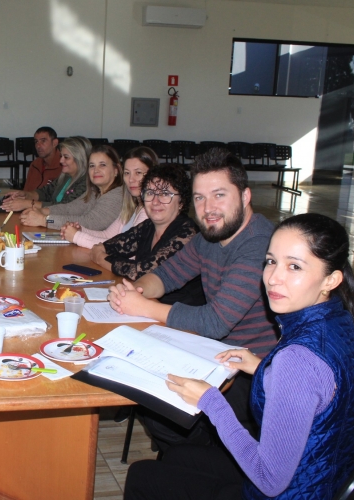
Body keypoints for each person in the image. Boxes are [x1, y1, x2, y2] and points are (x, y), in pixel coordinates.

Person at [125, 213, 354, 500]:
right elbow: (320, 391)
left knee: (143, 476)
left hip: (289, 491)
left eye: (294, 266)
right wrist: (262, 366)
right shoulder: (343, 325)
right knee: (180, 457)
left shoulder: (297, 359)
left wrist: (211, 403)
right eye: (271, 261)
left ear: (331, 280)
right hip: (325, 476)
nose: (273, 278)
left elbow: (269, 480)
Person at [107, 148, 278, 450]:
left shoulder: (259, 245)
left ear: (246, 196)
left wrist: (143, 307)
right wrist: (138, 291)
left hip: (256, 372)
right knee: (145, 387)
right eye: (200, 197)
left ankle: (210, 465)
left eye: (219, 195)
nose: (208, 207)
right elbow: (167, 274)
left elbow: (215, 322)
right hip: (219, 353)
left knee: (163, 413)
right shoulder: (210, 235)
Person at [94, 165, 204, 306]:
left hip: (177, 315)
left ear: (181, 202)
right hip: (146, 306)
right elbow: (104, 247)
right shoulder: (147, 226)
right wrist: (104, 256)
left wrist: (101, 258)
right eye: (150, 193)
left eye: (165, 194)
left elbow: (142, 272)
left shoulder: (188, 233)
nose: (155, 201)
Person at [61, 146, 156, 248]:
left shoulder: (149, 211)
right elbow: (107, 235)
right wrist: (81, 230)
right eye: (127, 173)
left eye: (138, 173)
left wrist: (77, 236)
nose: (131, 179)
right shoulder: (132, 207)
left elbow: (125, 249)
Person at [19, 144, 123, 230]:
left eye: (102, 165)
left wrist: (44, 220)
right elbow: (71, 209)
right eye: (92, 166)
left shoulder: (117, 195)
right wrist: (42, 211)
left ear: (116, 170)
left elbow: (90, 222)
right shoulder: (95, 191)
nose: (96, 170)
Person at [1, 137, 91, 212]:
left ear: (80, 159)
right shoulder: (66, 176)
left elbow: (65, 207)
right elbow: (46, 192)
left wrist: (28, 204)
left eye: (66, 157)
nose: (61, 161)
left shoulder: (86, 183)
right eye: (61, 156)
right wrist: (26, 195)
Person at [22, 126, 61, 191]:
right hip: (32, 200)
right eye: (36, 141)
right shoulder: (35, 164)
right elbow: (27, 191)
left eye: (43, 141)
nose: (38, 146)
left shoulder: (64, 165)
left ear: (55, 143)